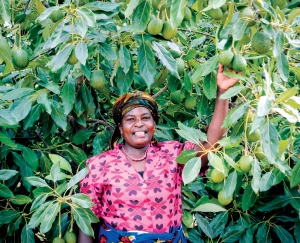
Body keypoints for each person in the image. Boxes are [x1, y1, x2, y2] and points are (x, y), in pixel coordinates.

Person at [78, 64, 240, 243]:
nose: (139, 124)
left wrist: (222, 92)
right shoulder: (98, 165)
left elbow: (210, 146)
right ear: (120, 129)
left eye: (145, 118)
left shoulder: (172, 154)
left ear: (154, 126)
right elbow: (87, 222)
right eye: (130, 119)